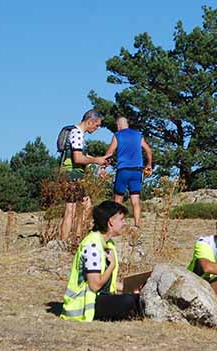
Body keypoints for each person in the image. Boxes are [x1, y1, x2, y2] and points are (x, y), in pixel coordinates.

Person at [60, 201, 146, 322]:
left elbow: (107, 283)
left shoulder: (108, 244)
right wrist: (112, 266)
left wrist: (129, 288)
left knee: (138, 298)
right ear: (111, 222)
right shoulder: (92, 246)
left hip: (100, 298)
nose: (124, 223)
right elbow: (95, 285)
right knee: (132, 301)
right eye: (122, 219)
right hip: (85, 305)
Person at [99, 116, 154, 230]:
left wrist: (103, 167)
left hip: (123, 170)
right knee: (135, 199)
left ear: (118, 125)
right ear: (127, 124)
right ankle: (137, 224)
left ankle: (116, 224)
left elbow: (109, 153)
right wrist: (149, 165)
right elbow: (148, 150)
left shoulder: (118, 135)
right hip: (137, 171)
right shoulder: (138, 135)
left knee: (118, 199)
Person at [59, 109, 106, 241]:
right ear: (90, 121)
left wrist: (98, 161)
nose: (97, 128)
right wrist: (96, 160)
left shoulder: (75, 133)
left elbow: (81, 156)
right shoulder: (77, 134)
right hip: (72, 176)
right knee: (71, 209)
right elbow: (78, 158)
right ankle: (64, 241)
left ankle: (76, 237)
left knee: (85, 205)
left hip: (72, 175)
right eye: (97, 125)